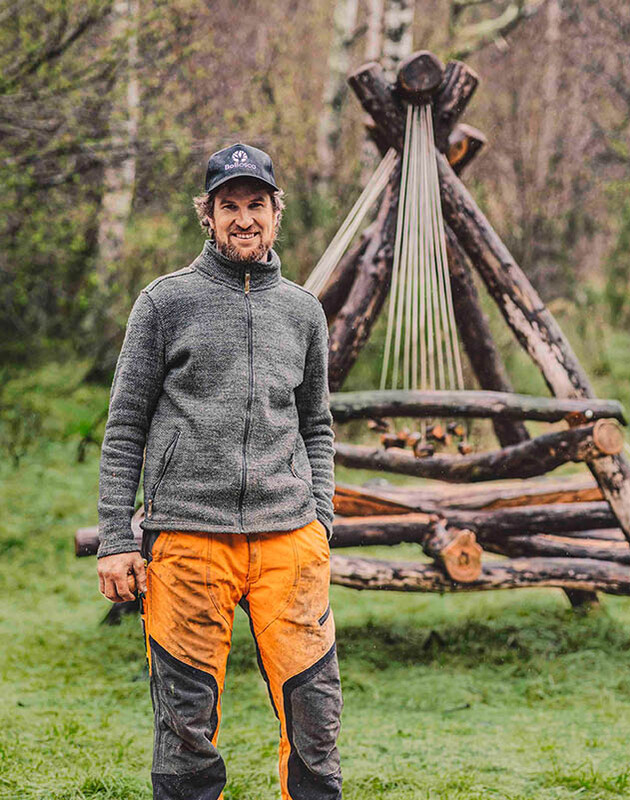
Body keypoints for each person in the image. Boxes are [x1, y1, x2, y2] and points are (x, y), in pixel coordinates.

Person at [96, 143, 342, 800]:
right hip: (187, 538)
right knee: (185, 733)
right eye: (227, 205)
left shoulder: (303, 311)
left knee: (315, 724)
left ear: (275, 213)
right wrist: (118, 539)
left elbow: (316, 423)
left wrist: (320, 517)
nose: (242, 218)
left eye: (254, 204)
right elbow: (125, 427)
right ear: (206, 214)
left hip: (289, 539)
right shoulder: (163, 303)